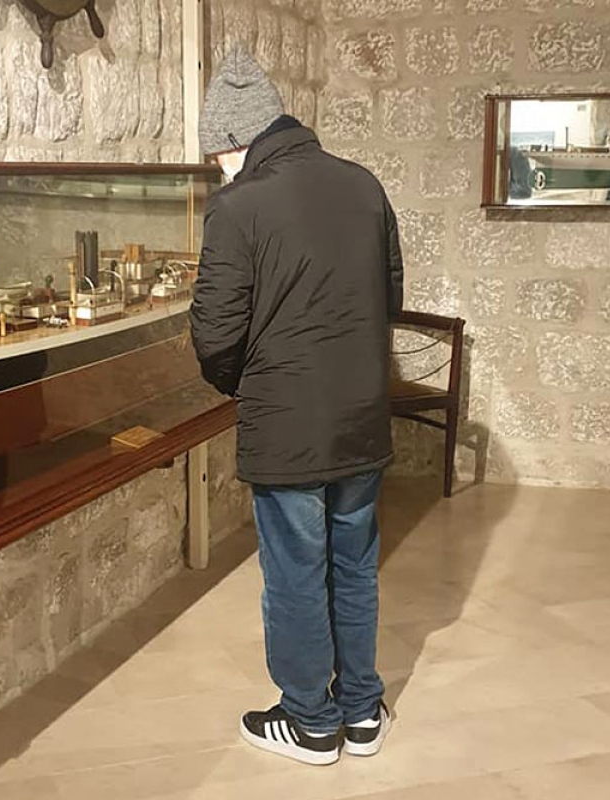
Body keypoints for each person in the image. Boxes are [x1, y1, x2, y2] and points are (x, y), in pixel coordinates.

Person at [189, 48, 404, 767]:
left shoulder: (237, 207)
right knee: (354, 563)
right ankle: (362, 710)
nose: (218, 169)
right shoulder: (363, 186)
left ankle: (310, 720)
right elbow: (390, 297)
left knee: (295, 572)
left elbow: (216, 334)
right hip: (362, 414)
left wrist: (243, 384)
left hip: (286, 424)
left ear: (233, 140)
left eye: (216, 155)